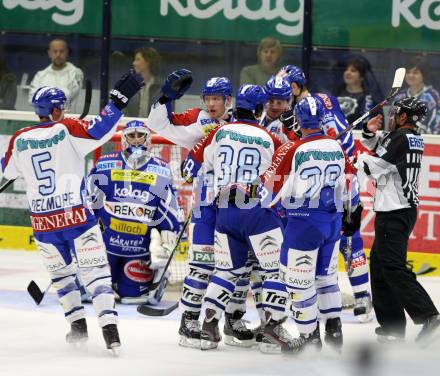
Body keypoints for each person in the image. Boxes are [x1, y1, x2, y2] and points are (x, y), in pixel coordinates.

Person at [0, 70, 144, 351]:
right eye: (62, 108)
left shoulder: (19, 138)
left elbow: (7, 169)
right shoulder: (68, 128)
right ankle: (110, 330)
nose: (64, 111)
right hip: (77, 219)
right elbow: (102, 128)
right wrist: (117, 102)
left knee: (62, 276)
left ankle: (77, 327)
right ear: (55, 110)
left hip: (43, 226)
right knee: (96, 274)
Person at [148, 74, 259, 348]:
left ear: (228, 100)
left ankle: (233, 320)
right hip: (207, 205)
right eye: (207, 98)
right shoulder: (198, 119)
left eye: (216, 99)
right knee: (202, 264)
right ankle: (189, 321)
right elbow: (158, 124)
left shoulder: (245, 121)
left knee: (240, 268)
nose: (211, 104)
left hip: (239, 206)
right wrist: (165, 98)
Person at [181, 84, 289, 352]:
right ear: (260, 108)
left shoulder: (218, 132)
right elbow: (284, 178)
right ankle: (272, 331)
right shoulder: (271, 138)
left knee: (227, 271)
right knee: (274, 269)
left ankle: (208, 327)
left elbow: (187, 170)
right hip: (256, 211)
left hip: (222, 211)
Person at [257, 96, 352, 353]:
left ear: (297, 119)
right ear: (323, 119)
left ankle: (310, 339)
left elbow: (266, 195)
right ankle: (334, 331)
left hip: (302, 224)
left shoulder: (290, 150)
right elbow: (350, 184)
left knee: (299, 285)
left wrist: (253, 186)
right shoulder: (336, 146)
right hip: (332, 222)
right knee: (326, 278)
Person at [278, 65, 373, 322]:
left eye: (286, 89)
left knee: (343, 238)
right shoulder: (314, 104)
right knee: (338, 239)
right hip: (332, 177)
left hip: (332, 179)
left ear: (295, 87)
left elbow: (318, 138)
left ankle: (356, 295)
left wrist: (295, 130)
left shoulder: (311, 106)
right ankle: (348, 295)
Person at [358, 97, 440, 344]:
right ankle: (393, 327)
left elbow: (375, 164)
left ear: (405, 117)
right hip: (398, 211)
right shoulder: (408, 137)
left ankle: (429, 316)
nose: (392, 116)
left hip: (396, 212)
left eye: (396, 113)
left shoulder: (400, 138)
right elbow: (380, 148)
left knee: (392, 266)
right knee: (381, 268)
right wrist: (367, 133)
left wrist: (347, 155)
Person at [87, 120, 183, 305]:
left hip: (138, 250)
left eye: (141, 135)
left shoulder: (161, 169)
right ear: (124, 139)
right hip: (106, 248)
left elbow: (169, 206)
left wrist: (168, 233)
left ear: (148, 139)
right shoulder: (105, 164)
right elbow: (89, 199)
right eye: (131, 135)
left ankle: (153, 278)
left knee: (133, 299)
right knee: (95, 295)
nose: (136, 140)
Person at [28, 39, 84, 111]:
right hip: (45, 121)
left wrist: (43, 95)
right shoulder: (40, 75)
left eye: (61, 51)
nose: (58, 55)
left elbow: (67, 95)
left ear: (67, 52)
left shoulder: (76, 73)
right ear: (49, 53)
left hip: (67, 120)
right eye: (55, 51)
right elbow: (32, 100)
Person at [393, 57, 440, 134]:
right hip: (400, 139)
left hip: (427, 140)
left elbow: (436, 125)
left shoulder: (433, 96)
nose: (411, 75)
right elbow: (391, 121)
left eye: (415, 72)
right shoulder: (399, 96)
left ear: (423, 75)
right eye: (408, 72)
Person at [336, 56, 379, 126]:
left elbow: (365, 126)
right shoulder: (335, 93)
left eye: (353, 71)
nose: (347, 72)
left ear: (362, 77)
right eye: (346, 70)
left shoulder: (368, 100)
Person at [124, 47, 162, 118]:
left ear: (148, 61)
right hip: (133, 127)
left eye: (138, 59)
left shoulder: (163, 88)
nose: (134, 63)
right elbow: (124, 112)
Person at [261, 75, 298, 142]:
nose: (275, 107)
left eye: (279, 103)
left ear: (288, 103)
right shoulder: (259, 117)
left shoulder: (292, 125)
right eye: (271, 101)